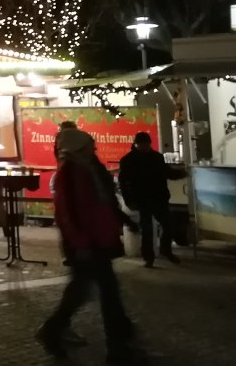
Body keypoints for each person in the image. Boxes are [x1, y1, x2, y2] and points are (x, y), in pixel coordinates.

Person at [37, 128, 143, 363]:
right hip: (88, 245)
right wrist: (82, 243)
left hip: (95, 242)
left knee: (82, 292)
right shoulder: (72, 174)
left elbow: (99, 205)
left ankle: (54, 331)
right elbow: (70, 214)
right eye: (89, 146)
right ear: (78, 149)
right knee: (106, 293)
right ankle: (116, 346)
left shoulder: (84, 170)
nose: (93, 150)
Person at [118, 131, 186, 267]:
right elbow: (124, 182)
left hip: (156, 198)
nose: (144, 146)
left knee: (165, 226)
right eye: (142, 144)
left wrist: (180, 173)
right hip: (143, 199)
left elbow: (166, 172)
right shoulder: (131, 160)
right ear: (136, 144)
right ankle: (151, 256)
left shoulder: (153, 158)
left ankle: (160, 252)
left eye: (146, 144)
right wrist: (129, 200)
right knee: (149, 229)